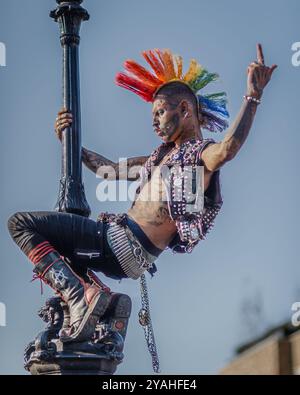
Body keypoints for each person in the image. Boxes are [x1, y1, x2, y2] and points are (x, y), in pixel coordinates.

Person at [7, 44, 277, 343]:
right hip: (123, 253)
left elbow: (228, 148)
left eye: (160, 111)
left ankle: (77, 294)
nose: (154, 121)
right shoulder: (159, 159)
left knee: (20, 224)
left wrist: (253, 96)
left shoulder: (201, 157)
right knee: (56, 247)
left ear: (185, 110)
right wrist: (69, 142)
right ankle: (104, 301)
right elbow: (107, 169)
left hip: (117, 243)